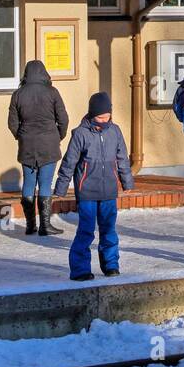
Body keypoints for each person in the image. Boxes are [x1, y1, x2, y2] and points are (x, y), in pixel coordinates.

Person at [54, 92, 133, 281]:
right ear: (92, 114)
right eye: (100, 117)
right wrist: (61, 188)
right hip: (87, 190)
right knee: (86, 230)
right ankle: (80, 269)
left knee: (109, 229)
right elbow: (69, 162)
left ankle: (111, 264)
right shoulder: (80, 134)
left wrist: (127, 181)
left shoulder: (115, 131)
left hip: (109, 191)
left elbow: (122, 158)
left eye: (107, 116)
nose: (104, 120)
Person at [7, 59, 70, 236]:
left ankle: (30, 225)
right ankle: (45, 225)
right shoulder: (52, 92)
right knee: (45, 183)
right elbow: (63, 119)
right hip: (49, 143)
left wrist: (21, 135)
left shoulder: (18, 94)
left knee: (28, 183)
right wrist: (58, 136)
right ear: (44, 73)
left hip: (27, 144)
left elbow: (12, 122)